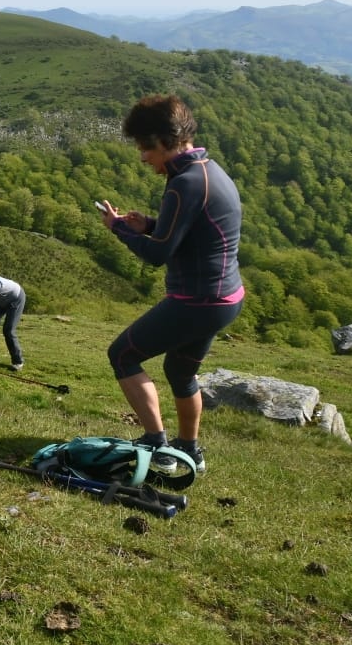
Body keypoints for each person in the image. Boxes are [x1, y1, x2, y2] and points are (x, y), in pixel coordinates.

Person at [99, 94, 244, 475]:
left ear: (166, 141)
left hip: (197, 300)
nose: (143, 157)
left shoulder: (185, 183)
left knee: (122, 355)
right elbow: (194, 230)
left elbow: (158, 254)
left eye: (145, 148)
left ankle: (157, 446)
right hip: (225, 297)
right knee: (180, 372)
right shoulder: (209, 171)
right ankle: (189, 449)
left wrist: (117, 229)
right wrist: (148, 224)